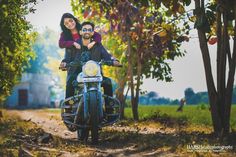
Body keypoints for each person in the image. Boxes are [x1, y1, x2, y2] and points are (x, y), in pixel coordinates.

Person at [66, 21, 121, 115]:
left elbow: (106, 56)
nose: (87, 31)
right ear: (81, 32)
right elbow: (67, 57)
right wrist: (64, 63)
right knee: (70, 80)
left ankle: (109, 109)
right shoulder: (74, 45)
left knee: (108, 82)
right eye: (84, 29)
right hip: (78, 74)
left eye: (89, 30)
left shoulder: (98, 45)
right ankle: (68, 107)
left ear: (92, 33)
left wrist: (113, 61)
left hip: (95, 75)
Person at [58, 13, 102, 100]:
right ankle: (68, 107)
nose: (70, 24)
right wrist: (73, 43)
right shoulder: (64, 34)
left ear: (74, 19)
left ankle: (107, 107)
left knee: (103, 81)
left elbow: (98, 36)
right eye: (66, 23)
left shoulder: (83, 28)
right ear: (64, 25)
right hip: (74, 63)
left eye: (71, 20)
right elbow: (61, 44)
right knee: (70, 82)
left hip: (89, 63)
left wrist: (93, 42)